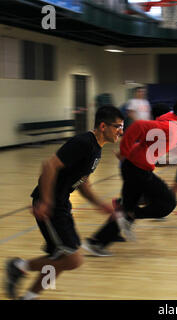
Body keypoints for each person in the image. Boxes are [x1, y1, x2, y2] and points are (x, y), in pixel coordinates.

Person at [4, 106, 124, 300]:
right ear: (103, 126)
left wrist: (100, 204)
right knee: (73, 259)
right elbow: (50, 165)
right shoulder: (84, 142)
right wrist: (46, 201)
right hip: (51, 205)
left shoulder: (96, 149)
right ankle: (19, 266)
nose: (121, 130)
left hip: (62, 204)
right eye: (118, 126)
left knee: (59, 260)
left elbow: (83, 182)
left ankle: (28, 296)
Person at [82, 99, 177, 256]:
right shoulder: (169, 126)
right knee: (167, 203)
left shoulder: (176, 127)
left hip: (134, 167)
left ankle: (97, 243)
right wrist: (124, 150)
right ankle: (128, 216)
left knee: (127, 207)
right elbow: (138, 126)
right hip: (138, 168)